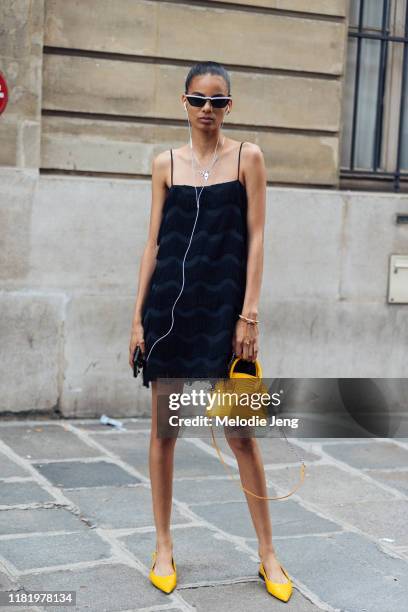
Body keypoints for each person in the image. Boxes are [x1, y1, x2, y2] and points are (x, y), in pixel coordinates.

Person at [129, 61, 292, 603]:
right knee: (164, 434)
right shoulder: (164, 165)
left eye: (217, 101)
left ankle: (269, 554)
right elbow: (152, 245)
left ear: (229, 107)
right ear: (183, 102)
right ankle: (163, 546)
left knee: (243, 436)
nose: (207, 110)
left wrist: (249, 315)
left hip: (226, 313)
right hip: (169, 313)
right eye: (198, 100)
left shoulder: (249, 158)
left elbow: (258, 236)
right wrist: (136, 319)